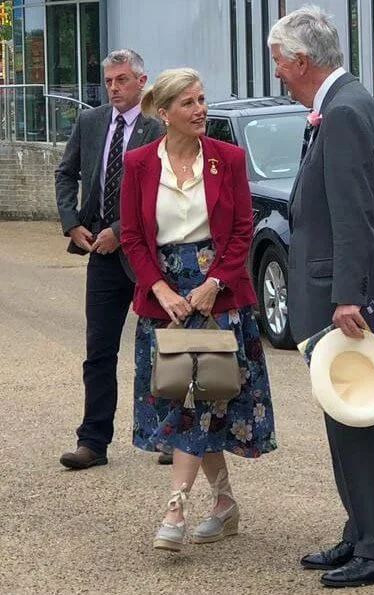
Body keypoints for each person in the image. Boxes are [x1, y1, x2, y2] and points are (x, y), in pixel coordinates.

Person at [268, 6, 374, 589]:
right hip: (332, 290)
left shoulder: (346, 110)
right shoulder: (341, 103)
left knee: (358, 417)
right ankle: (362, 531)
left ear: (302, 60)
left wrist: (348, 296)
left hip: (343, 298)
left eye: (279, 61)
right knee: (343, 411)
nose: (278, 72)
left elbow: (355, 216)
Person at [120, 68, 276, 552]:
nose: (200, 109)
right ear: (163, 113)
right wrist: (159, 289)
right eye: (188, 103)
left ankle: (175, 507)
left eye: (202, 99)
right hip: (164, 300)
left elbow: (242, 230)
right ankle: (225, 503)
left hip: (220, 297)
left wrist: (213, 283)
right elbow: (131, 237)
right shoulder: (139, 163)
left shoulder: (227, 159)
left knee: (205, 399)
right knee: (185, 398)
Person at [55, 49, 165, 470]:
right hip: (99, 255)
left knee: (159, 348)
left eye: (122, 80)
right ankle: (93, 442)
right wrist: (71, 223)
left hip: (145, 253)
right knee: (99, 350)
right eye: (109, 81)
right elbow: (66, 173)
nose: (114, 88)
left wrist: (120, 232)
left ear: (142, 81)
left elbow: (160, 190)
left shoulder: (157, 129)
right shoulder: (90, 122)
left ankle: (167, 436)